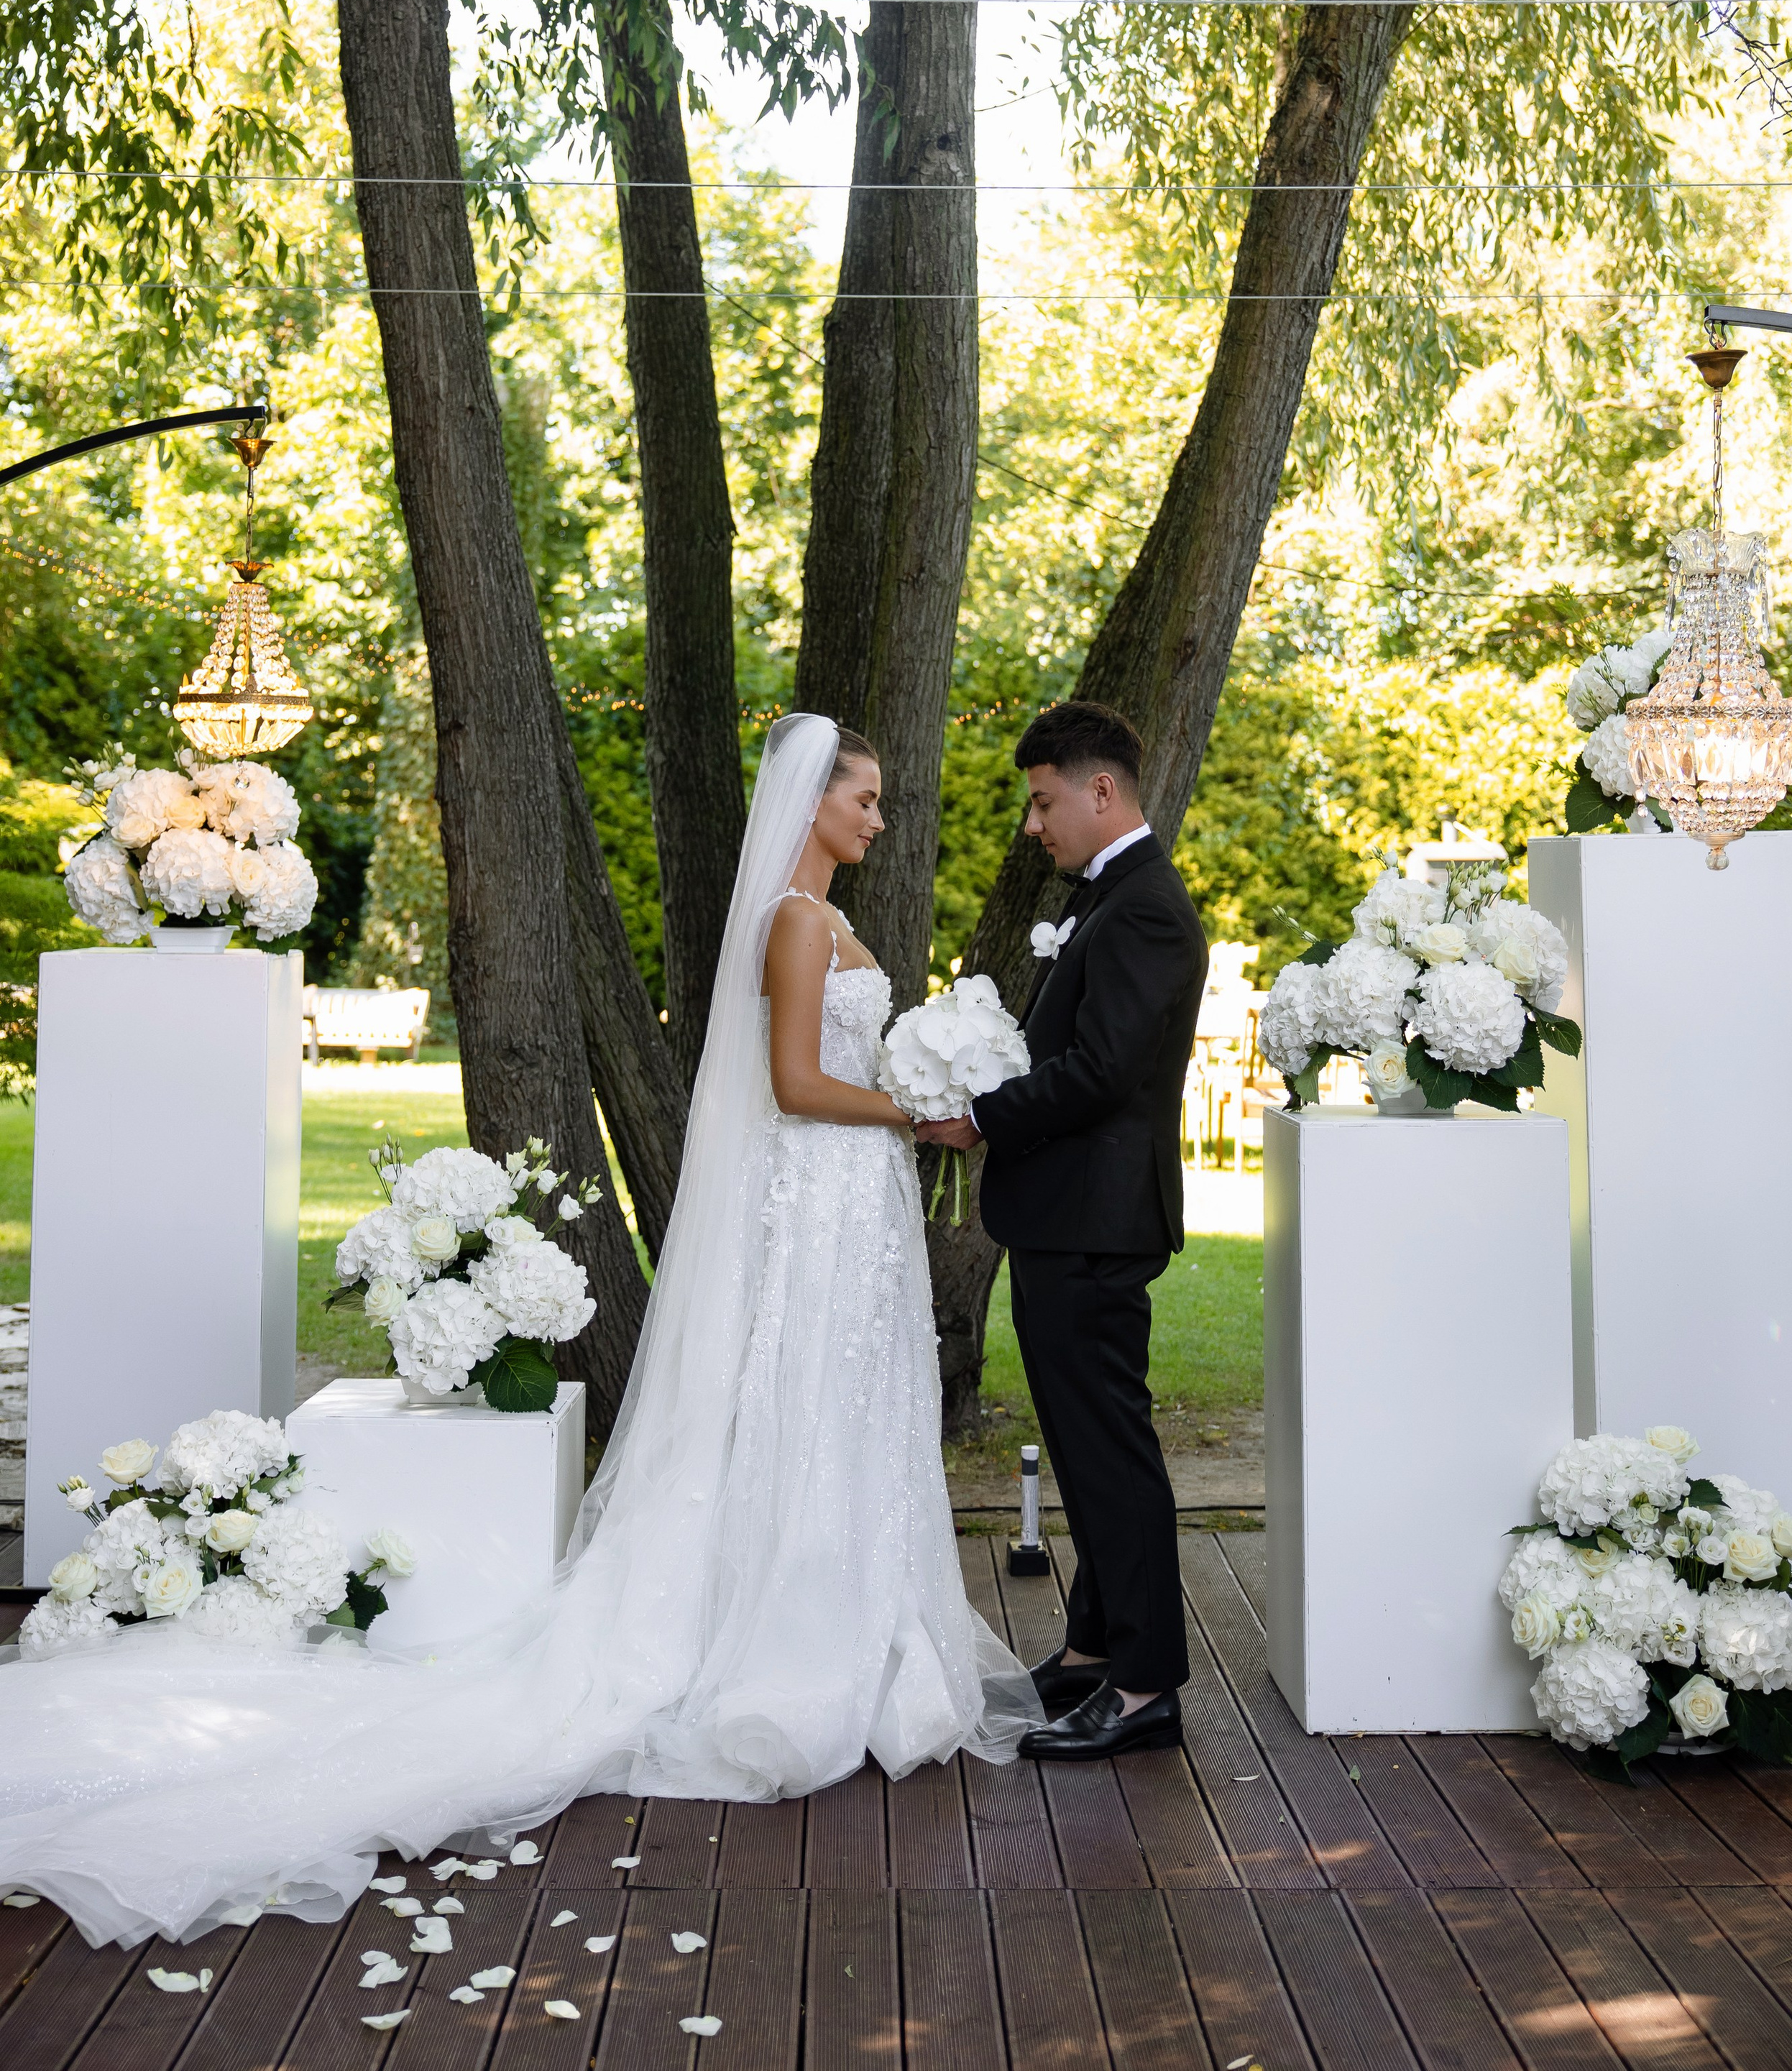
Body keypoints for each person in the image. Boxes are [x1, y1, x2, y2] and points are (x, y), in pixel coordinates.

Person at [0, 713, 1037, 1949]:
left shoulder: (826, 919)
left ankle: (863, 1636)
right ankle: (798, 1646)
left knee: (846, 1404)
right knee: (810, 1398)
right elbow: (796, 1085)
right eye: (863, 797)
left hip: (845, 1205)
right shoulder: (800, 925)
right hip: (824, 1191)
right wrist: (922, 1118)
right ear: (813, 801)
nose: (877, 817)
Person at [916, 701, 1208, 1762]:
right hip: (1065, 1217)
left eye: (1044, 802)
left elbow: (1102, 1072)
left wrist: (981, 1116)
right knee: (1085, 1454)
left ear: (1101, 791)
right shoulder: (1109, 898)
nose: (1035, 824)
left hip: (1096, 1219)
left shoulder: (1145, 910)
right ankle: (1092, 1649)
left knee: (1111, 1455)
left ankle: (1144, 1685)